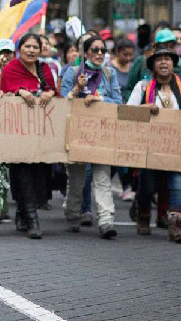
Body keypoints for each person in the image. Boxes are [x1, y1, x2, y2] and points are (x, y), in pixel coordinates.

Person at [0, 33, 57, 239]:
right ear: (20, 49)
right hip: (16, 132)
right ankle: (32, 220)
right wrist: (19, 91)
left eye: (34, 47)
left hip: (39, 133)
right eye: (27, 47)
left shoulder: (44, 69)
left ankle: (22, 211)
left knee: (37, 173)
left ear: (40, 50)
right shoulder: (10, 69)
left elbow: (54, 90)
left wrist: (50, 93)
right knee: (22, 172)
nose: (31, 50)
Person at [60, 35, 121, 239]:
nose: (99, 54)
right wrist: (77, 89)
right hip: (78, 132)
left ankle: (106, 220)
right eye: (94, 50)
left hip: (103, 133)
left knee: (102, 178)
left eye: (102, 50)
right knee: (77, 179)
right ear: (85, 53)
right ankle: (72, 213)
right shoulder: (72, 72)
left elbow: (119, 101)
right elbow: (62, 100)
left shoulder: (109, 74)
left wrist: (100, 99)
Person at [127, 48, 181, 243]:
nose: (163, 63)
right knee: (147, 185)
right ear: (153, 65)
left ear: (173, 63)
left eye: (167, 59)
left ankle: (176, 227)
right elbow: (126, 113)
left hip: (177, 148)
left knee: (177, 186)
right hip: (149, 146)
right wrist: (144, 108)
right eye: (159, 60)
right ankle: (143, 215)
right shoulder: (142, 87)